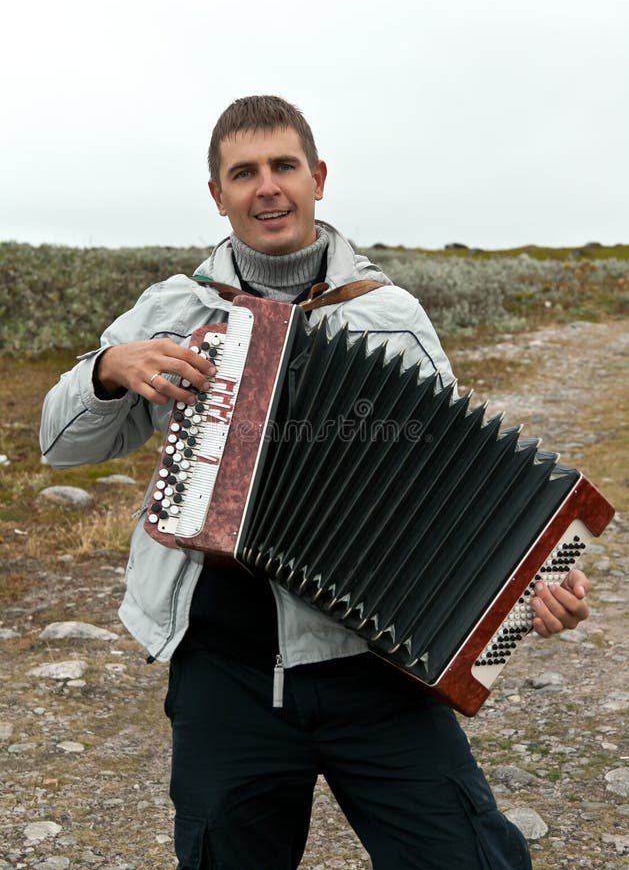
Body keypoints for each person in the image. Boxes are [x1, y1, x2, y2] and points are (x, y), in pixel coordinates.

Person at [40, 95, 591, 870]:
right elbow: (60, 445)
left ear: (316, 177)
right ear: (217, 194)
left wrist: (529, 582)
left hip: (374, 667)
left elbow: (456, 487)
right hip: (224, 677)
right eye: (243, 173)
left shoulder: (390, 317)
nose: (266, 187)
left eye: (282, 166)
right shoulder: (172, 310)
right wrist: (105, 369)